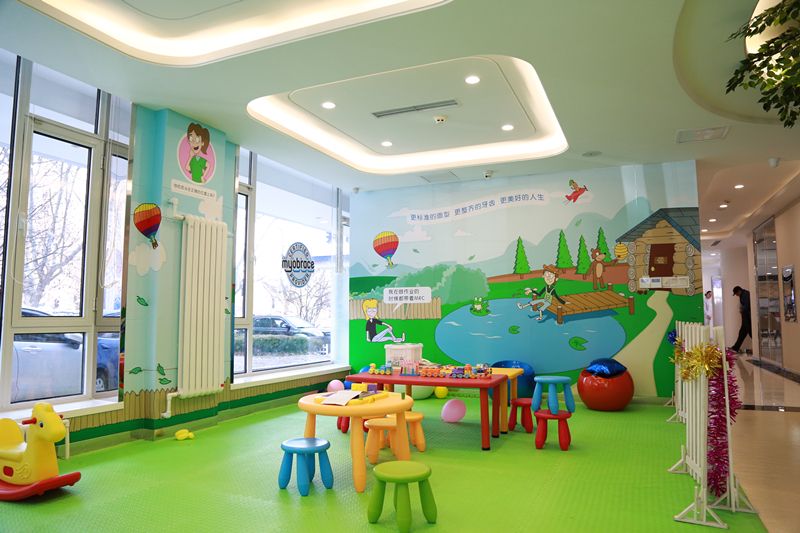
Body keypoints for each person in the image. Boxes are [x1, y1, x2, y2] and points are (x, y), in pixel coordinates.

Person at [731, 285, 751, 353]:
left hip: (748, 318)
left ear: (739, 291)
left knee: (750, 333)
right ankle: (735, 348)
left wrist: (742, 310)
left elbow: (747, 306)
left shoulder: (745, 294)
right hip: (745, 317)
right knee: (742, 333)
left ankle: (759, 347)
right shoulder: (743, 294)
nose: (736, 295)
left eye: (736, 293)